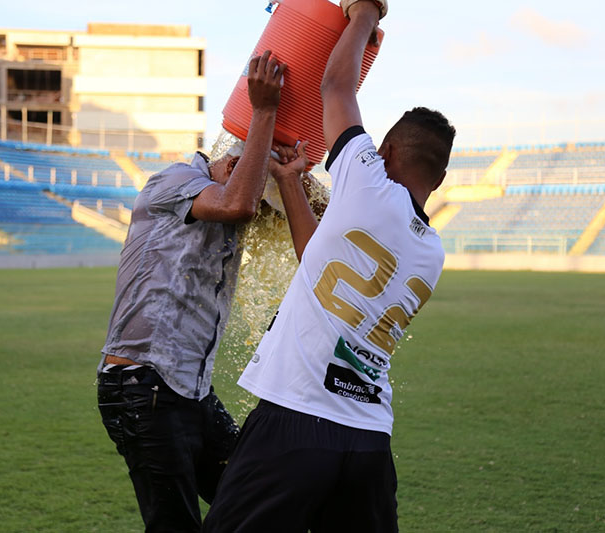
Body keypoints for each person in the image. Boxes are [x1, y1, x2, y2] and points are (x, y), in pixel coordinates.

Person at [203, 1, 456, 531]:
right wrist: (291, 182)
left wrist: (365, 13)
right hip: (368, 439)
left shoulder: (368, 182)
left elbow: (336, 87)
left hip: (295, 419)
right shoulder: (432, 252)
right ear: (439, 177)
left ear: (386, 150)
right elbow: (319, 259)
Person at [96, 51, 305, 532]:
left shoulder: (233, 190)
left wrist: (291, 176)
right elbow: (238, 204)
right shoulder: (175, 179)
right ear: (230, 160)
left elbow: (308, 220)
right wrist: (265, 111)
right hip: (141, 387)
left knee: (257, 500)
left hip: (189, 392)